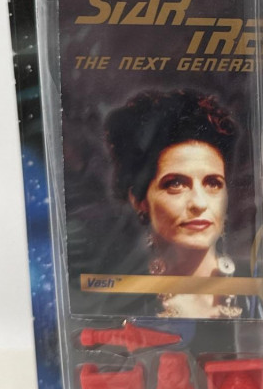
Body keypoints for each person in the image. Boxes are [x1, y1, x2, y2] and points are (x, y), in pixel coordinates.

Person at [105, 89, 244, 319]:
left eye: (213, 183)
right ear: (139, 200)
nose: (199, 203)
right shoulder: (124, 301)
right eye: (176, 184)